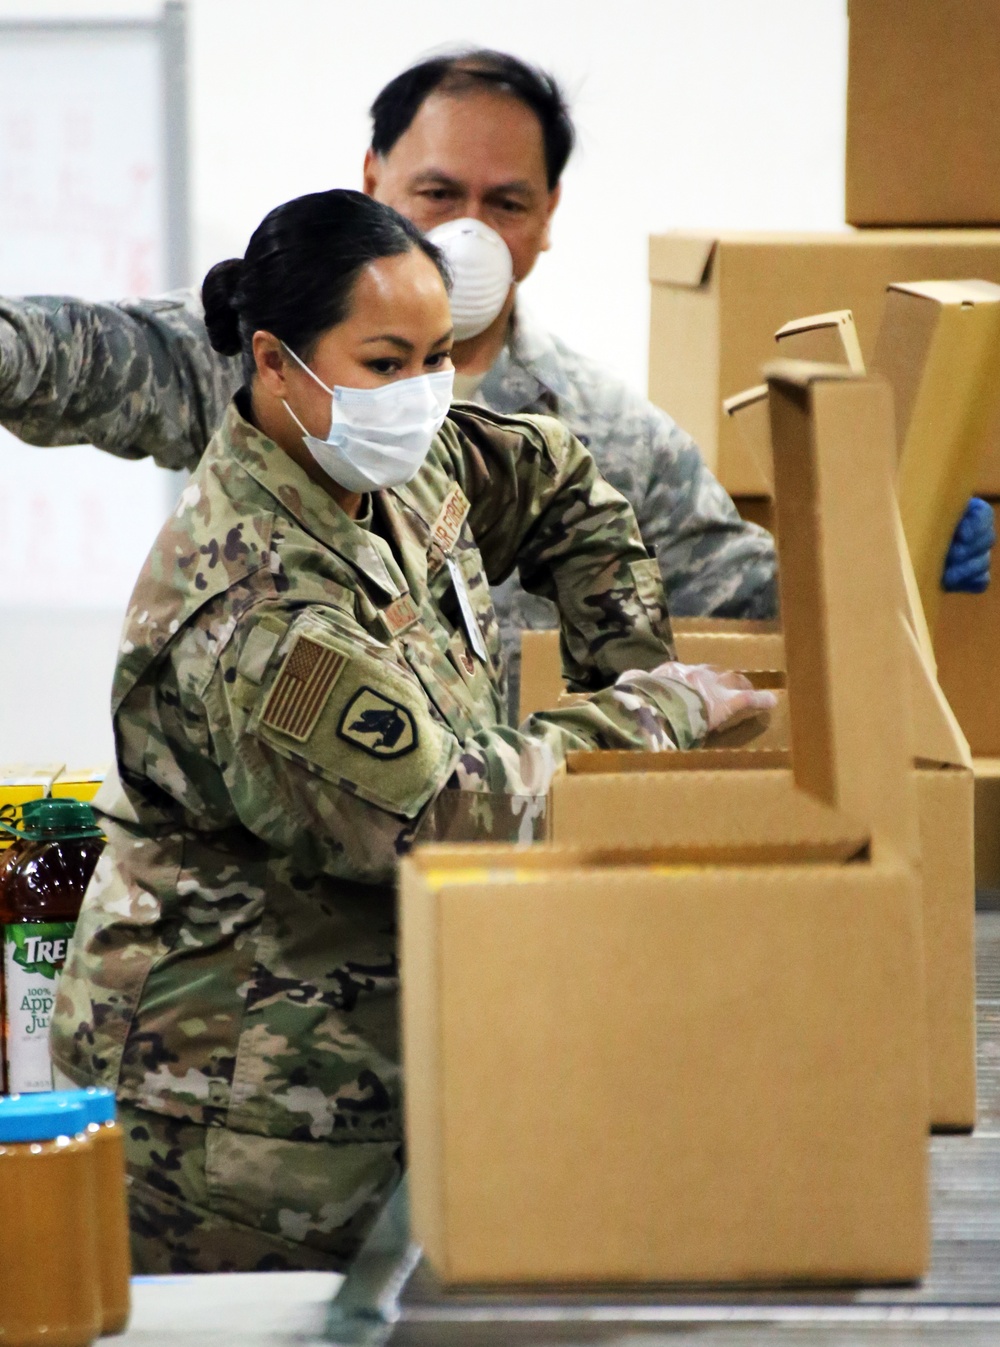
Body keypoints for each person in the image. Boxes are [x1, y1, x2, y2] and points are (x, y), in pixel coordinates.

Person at [50, 189, 775, 1275]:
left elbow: (558, 484)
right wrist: (659, 711)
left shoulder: (382, 461)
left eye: (441, 355)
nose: (423, 393)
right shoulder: (258, 617)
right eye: (386, 362)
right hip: (235, 1127)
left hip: (375, 1057)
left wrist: (623, 661)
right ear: (276, 363)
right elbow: (448, 814)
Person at [0, 50, 989, 714]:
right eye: (436, 192)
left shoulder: (601, 433)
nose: (465, 232)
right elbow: (82, 354)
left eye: (504, 202)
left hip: (495, 862)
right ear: (372, 178)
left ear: (549, 214)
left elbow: (740, 595)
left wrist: (896, 537)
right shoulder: (260, 351)